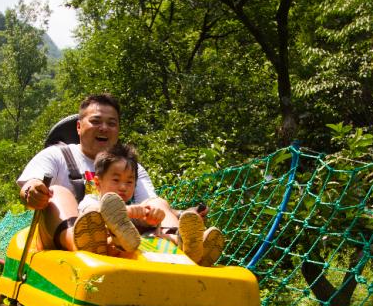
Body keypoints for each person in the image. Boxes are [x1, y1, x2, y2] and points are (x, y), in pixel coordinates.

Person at [17, 93, 224, 265]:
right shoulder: (56, 155)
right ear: (79, 127)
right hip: (61, 235)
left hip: (123, 236)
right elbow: (30, 184)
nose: (104, 128)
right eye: (96, 121)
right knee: (58, 192)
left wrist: (166, 213)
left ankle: (185, 248)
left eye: (111, 123)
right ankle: (84, 242)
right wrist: (33, 190)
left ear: (118, 130)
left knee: (159, 202)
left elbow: (148, 204)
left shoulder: (131, 167)